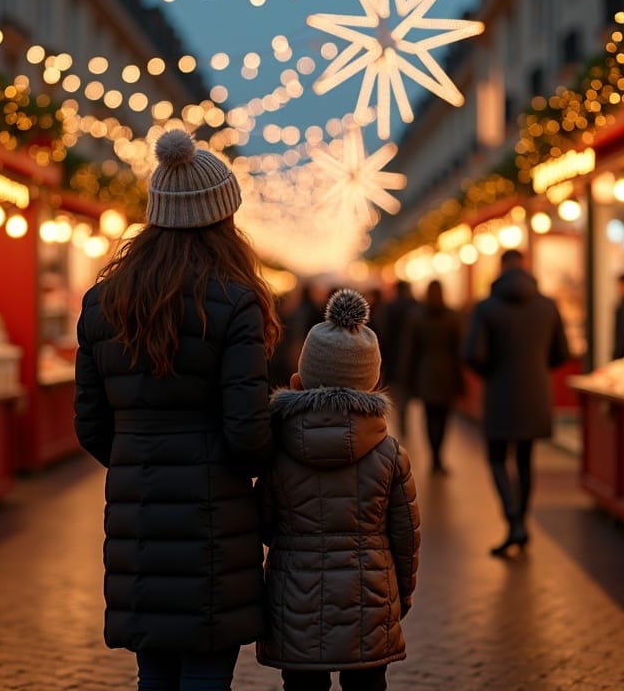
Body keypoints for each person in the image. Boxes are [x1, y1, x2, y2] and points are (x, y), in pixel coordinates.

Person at [74, 130, 282, 691]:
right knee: (207, 671)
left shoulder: (102, 301)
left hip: (138, 516)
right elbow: (247, 432)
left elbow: (89, 424)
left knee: (155, 671)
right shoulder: (234, 300)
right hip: (213, 516)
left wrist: (139, 458)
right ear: (223, 219)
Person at [256, 289, 420, 691]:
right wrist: (401, 595)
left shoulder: (277, 449)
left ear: (301, 377)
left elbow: (264, 525)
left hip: (295, 601)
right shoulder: (390, 455)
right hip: (370, 601)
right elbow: (405, 538)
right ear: (372, 382)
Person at [462, 249, 569, 557]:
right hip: (535, 393)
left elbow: (472, 354)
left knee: (496, 458)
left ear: (501, 268)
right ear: (525, 267)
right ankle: (521, 520)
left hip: (499, 393)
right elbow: (561, 352)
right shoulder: (547, 305)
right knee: (525, 460)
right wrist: (538, 369)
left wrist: (491, 374)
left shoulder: (486, 307)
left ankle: (513, 520)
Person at [399, 279, 464, 474]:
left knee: (429, 416)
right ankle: (439, 456)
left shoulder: (417, 317)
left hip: (425, 372)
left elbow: (410, 349)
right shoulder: (452, 317)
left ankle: (433, 456)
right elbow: (458, 349)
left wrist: (407, 376)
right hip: (447, 372)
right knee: (444, 417)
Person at [376, 280, 416, 439]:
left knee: (398, 393)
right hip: (412, 359)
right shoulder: (415, 306)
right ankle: (404, 421)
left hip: (393, 357)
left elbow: (383, 335)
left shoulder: (389, 307)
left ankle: (402, 423)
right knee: (406, 393)